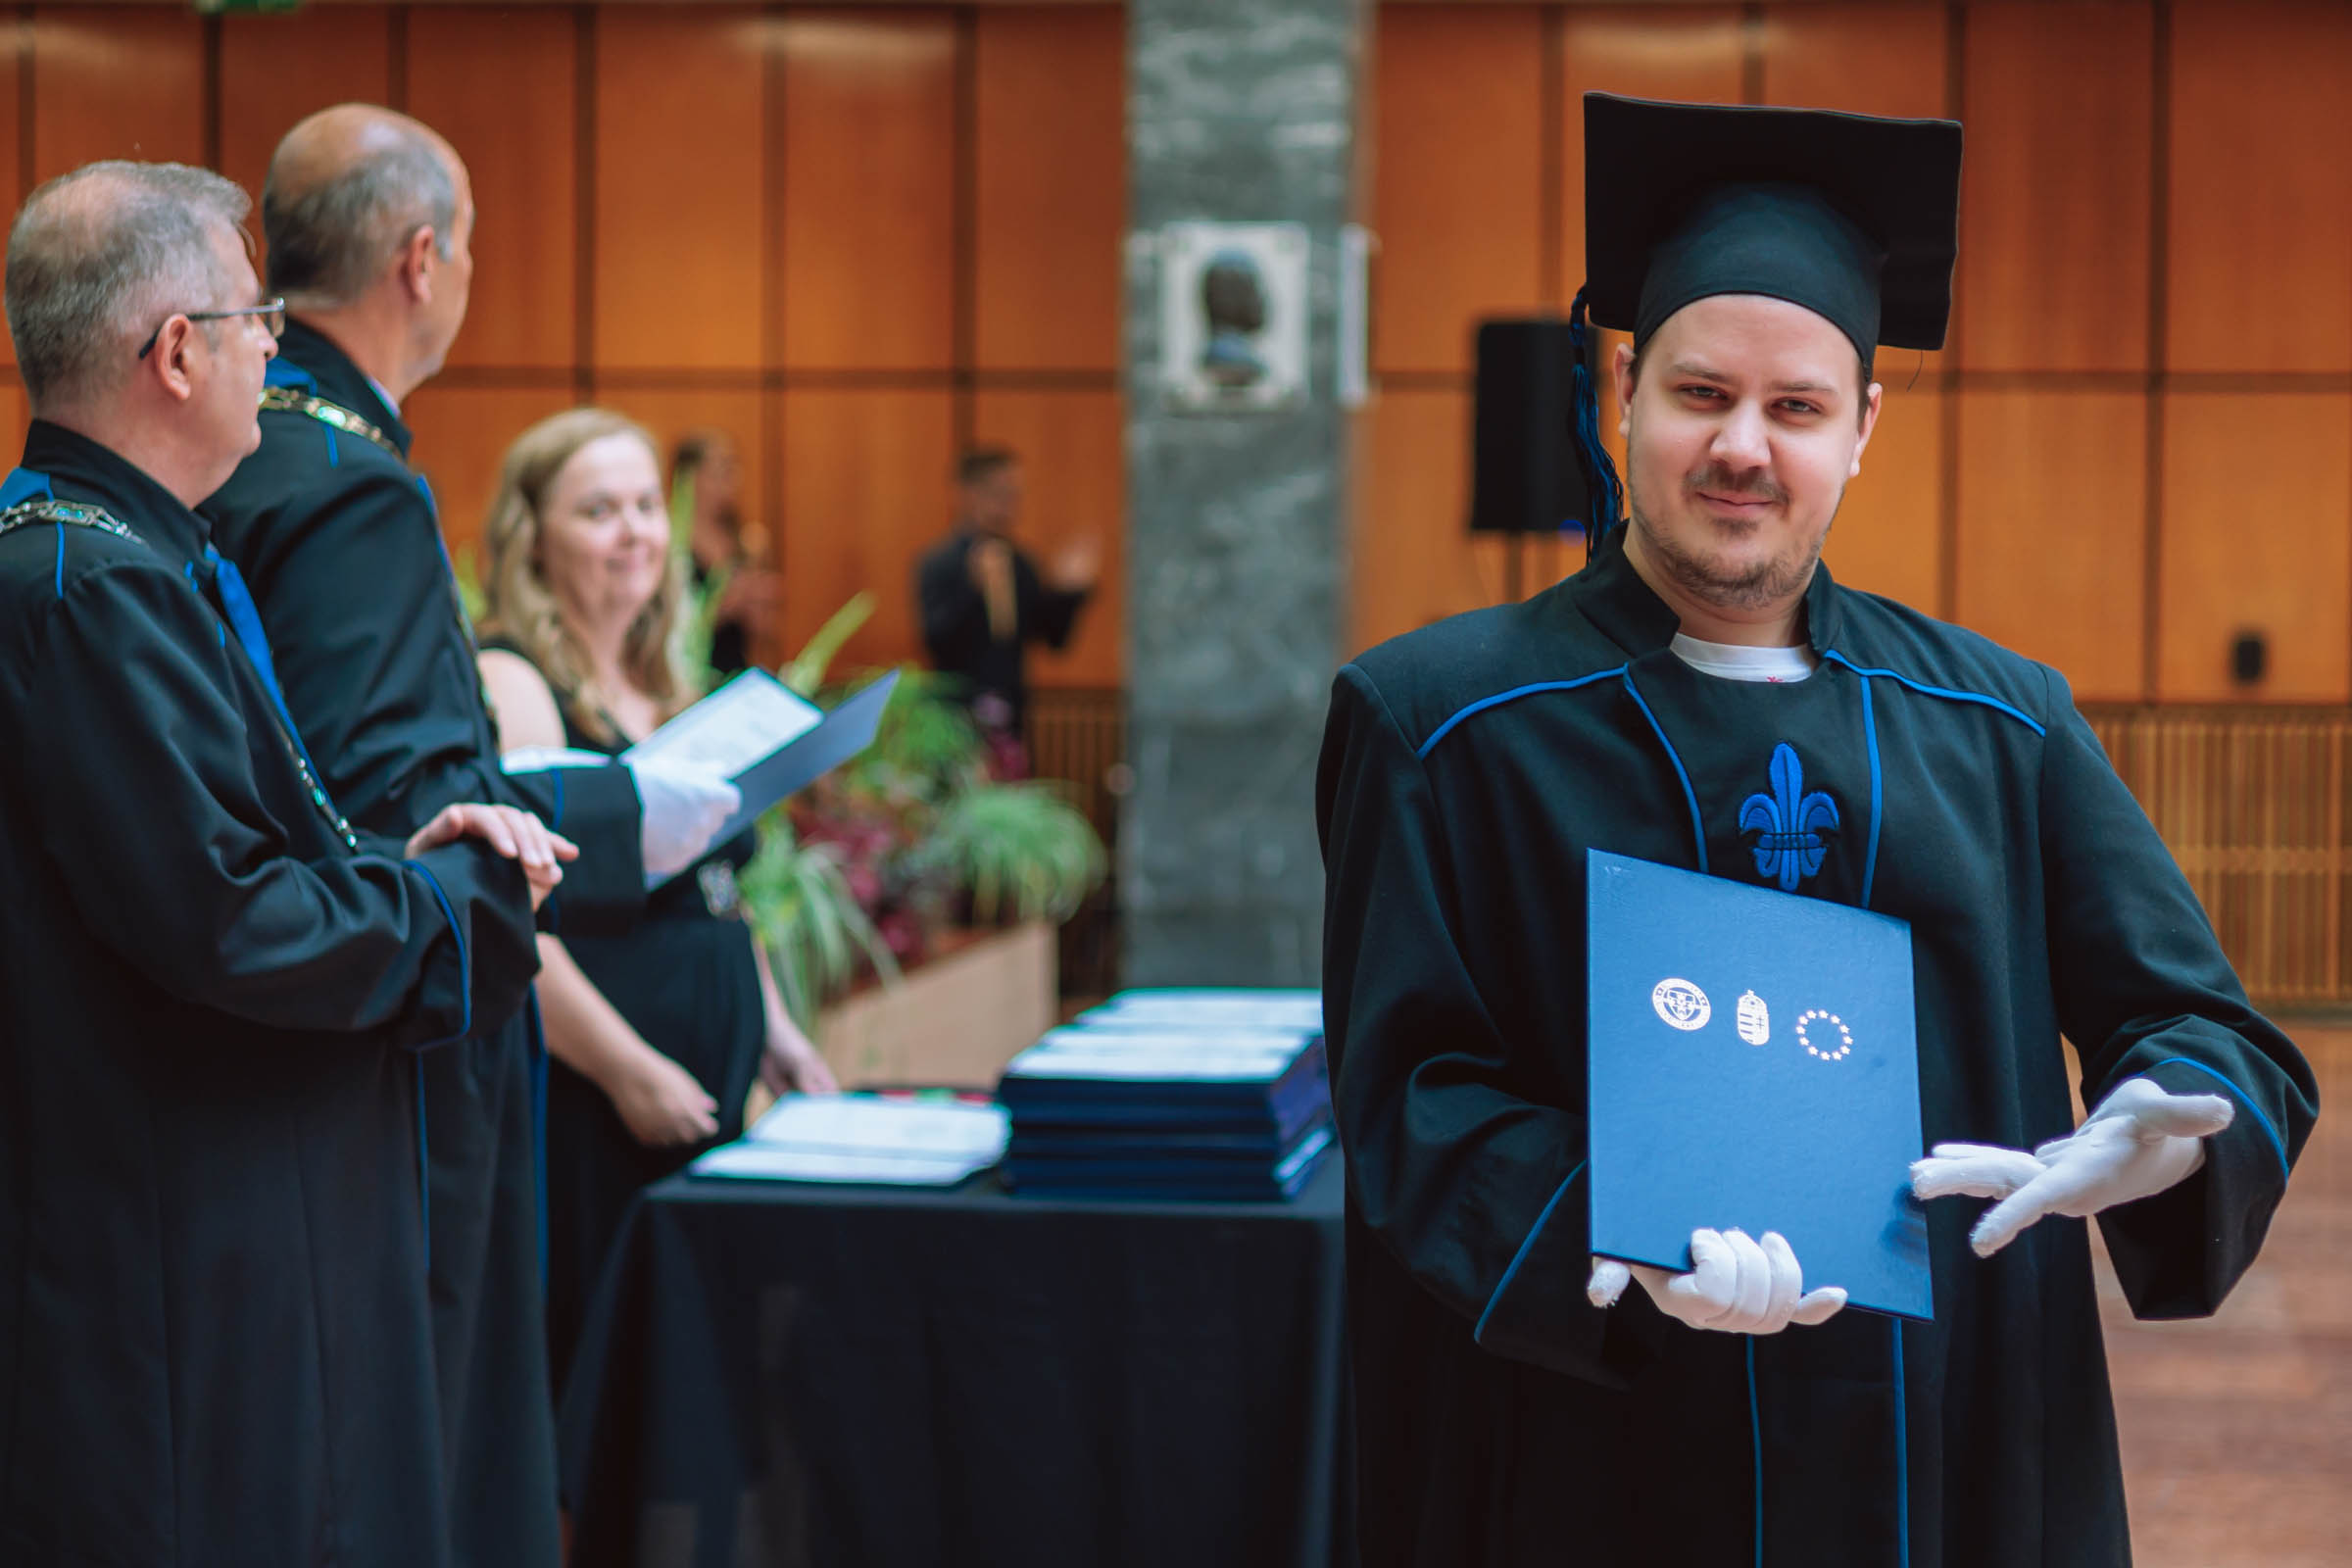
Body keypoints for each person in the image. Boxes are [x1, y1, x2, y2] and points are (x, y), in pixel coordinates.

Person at [1315, 93, 2319, 1567]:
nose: (1743, 447)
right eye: (1700, 393)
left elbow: (2203, 1026)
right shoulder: (1442, 725)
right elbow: (1410, 1096)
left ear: (1862, 431)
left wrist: (2157, 1131)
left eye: (1795, 408)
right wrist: (1618, 1226)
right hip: (1586, 1448)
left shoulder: (1998, 724)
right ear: (1621, 390)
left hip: (1947, 1425)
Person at [0, 160, 570, 1565]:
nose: (275, 346)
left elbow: (234, 842)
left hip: (194, 1211)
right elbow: (225, 919)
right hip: (173, 1246)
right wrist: (449, 910)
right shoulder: (87, 587)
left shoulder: (112, 557)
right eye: (255, 318)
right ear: (176, 353)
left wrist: (399, 853)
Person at [198, 105, 736, 1567]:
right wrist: (621, 812)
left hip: (270, 1047)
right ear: (422, 261)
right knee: (428, 1444)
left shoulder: (254, 444)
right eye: (475, 248)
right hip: (400, 1067)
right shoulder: (349, 483)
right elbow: (405, 814)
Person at [473, 407, 839, 1391]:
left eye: (645, 506)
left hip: (708, 1068)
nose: (635, 531)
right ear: (532, 536)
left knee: (705, 1364)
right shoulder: (514, 678)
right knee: (613, 1367)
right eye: (599, 510)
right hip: (602, 1092)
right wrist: (627, 1069)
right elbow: (514, 912)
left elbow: (715, 886)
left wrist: (774, 1026)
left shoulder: (662, 680)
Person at [914, 445, 1100, 758]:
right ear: (968, 494)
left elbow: (1051, 637)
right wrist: (973, 589)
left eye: (1015, 495)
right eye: (999, 493)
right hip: (955, 716)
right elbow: (936, 639)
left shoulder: (1021, 563)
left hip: (1012, 711)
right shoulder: (940, 563)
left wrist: (1069, 592)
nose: (1009, 505)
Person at [671, 426, 773, 677]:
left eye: (734, 467)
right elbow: (672, 627)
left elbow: (762, 630)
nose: (733, 478)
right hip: (688, 673)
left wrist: (760, 600)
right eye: (722, 469)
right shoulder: (671, 542)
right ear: (690, 477)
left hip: (735, 668)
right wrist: (726, 603)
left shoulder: (744, 538)